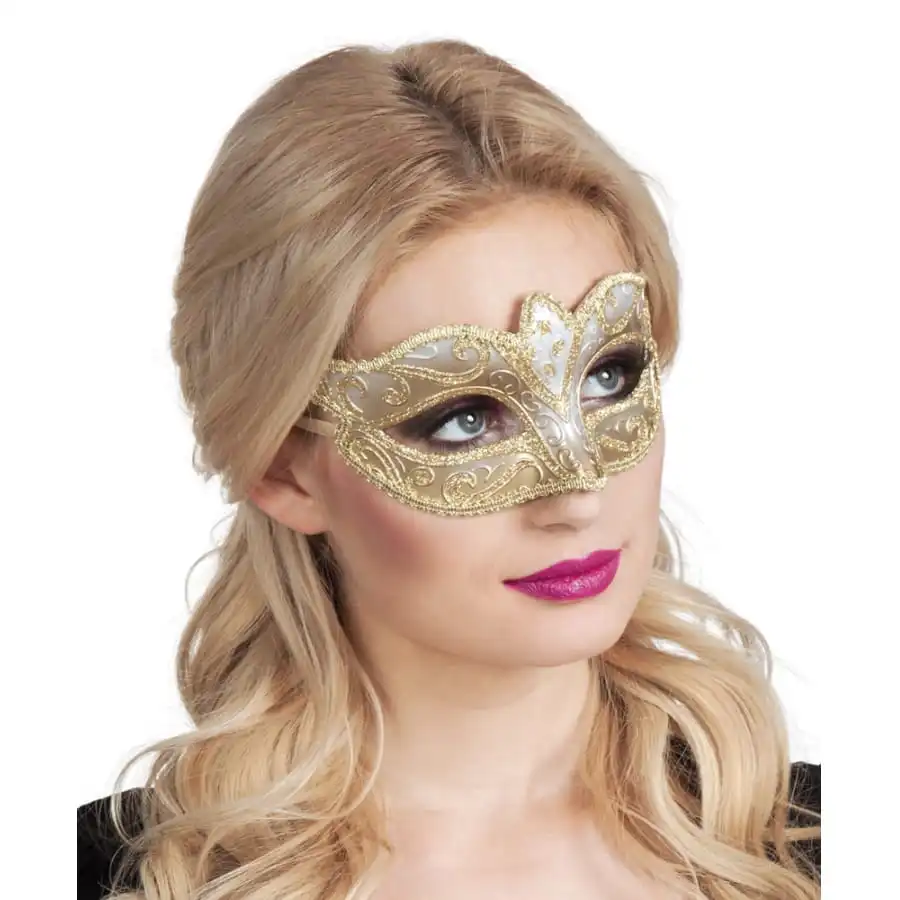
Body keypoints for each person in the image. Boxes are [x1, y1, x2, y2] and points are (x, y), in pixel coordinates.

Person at [77, 38, 821, 900]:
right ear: (284, 471)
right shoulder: (114, 875)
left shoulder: (813, 842)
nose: (577, 493)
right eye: (464, 420)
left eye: (607, 377)